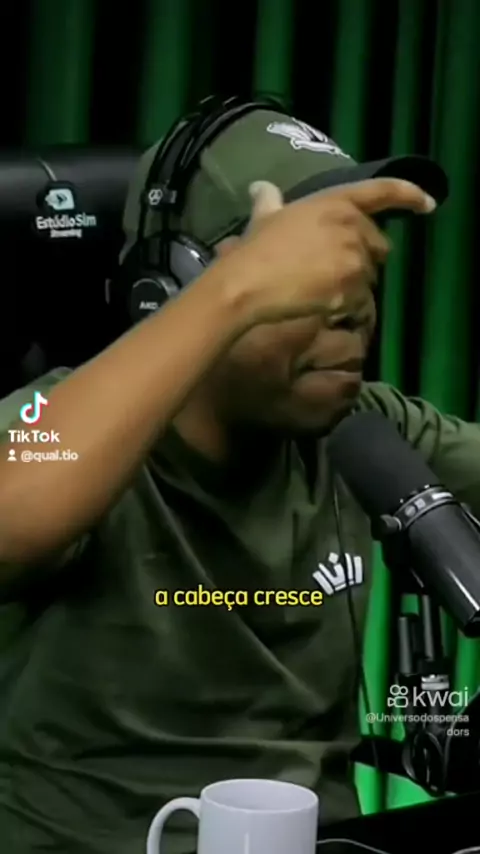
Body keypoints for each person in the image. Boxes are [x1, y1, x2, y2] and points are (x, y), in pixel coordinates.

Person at [0, 99, 477, 854]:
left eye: (350, 263)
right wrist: (233, 296)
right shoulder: (69, 422)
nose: (350, 305)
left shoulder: (367, 427)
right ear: (172, 287)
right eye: (301, 272)